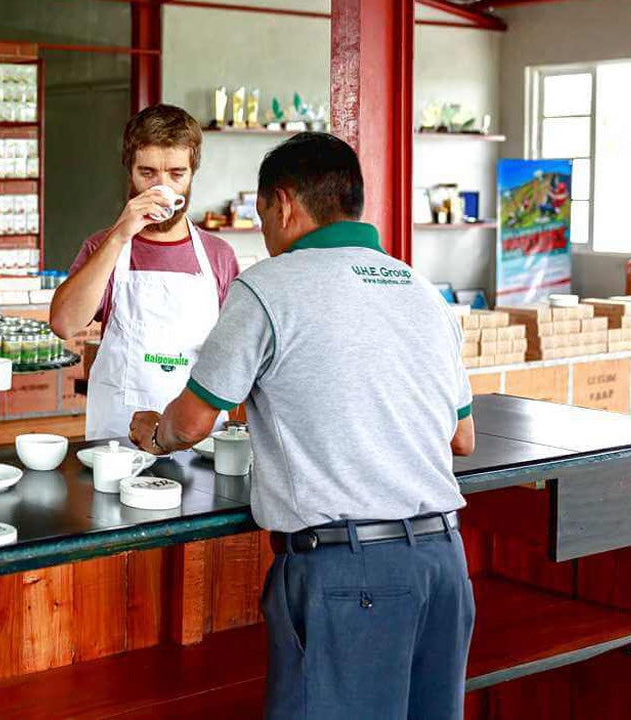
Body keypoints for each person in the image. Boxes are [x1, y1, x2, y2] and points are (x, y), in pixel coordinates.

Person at [128, 133, 477, 719]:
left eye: (264, 215)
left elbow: (190, 425)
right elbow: (461, 438)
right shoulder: (420, 290)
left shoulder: (269, 285)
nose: (265, 232)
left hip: (350, 574)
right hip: (444, 565)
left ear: (283, 204)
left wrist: (153, 434)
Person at [49, 104, 239, 441]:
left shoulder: (219, 256)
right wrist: (120, 234)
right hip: (119, 440)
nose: (161, 187)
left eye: (176, 174)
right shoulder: (102, 247)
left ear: (193, 173)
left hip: (198, 438)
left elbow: (235, 354)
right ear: (129, 170)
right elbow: (64, 323)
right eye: (147, 173)